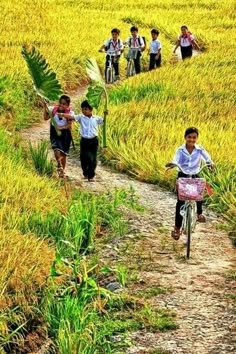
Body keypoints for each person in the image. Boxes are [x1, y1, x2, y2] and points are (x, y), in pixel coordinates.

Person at [166, 127, 215, 240]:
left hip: (194, 174)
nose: (191, 140)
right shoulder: (180, 150)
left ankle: (199, 214)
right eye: (189, 137)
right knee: (181, 201)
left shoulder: (199, 149)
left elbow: (207, 158)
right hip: (183, 175)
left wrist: (210, 163)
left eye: (194, 137)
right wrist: (172, 164)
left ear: (197, 138)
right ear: (185, 138)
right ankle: (177, 229)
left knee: (199, 191)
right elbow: (176, 160)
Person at [58, 100, 106, 182]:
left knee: (92, 158)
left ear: (91, 110)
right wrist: (62, 114)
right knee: (83, 157)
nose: (84, 111)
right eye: (83, 109)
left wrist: (105, 114)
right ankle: (85, 173)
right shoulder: (81, 117)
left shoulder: (96, 118)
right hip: (84, 140)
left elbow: (104, 121)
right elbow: (72, 117)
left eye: (86, 109)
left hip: (93, 141)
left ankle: (91, 175)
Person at [43, 94, 74, 178]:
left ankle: (62, 172)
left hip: (65, 134)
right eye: (60, 103)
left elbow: (69, 125)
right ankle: (59, 165)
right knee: (56, 148)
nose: (61, 105)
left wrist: (61, 127)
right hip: (54, 132)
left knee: (63, 154)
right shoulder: (53, 109)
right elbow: (45, 118)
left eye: (64, 104)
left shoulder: (70, 113)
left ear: (67, 105)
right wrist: (45, 108)